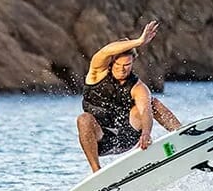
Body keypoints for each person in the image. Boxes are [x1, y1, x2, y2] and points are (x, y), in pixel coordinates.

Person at [77, 21, 182, 172]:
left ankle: (181, 135)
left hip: (127, 135)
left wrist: (146, 133)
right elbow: (106, 51)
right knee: (83, 119)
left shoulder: (138, 88)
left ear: (133, 62)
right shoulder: (97, 74)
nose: (122, 69)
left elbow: (145, 110)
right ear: (112, 63)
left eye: (127, 65)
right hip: (101, 139)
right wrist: (139, 41)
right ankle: (96, 171)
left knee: (151, 103)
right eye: (118, 65)